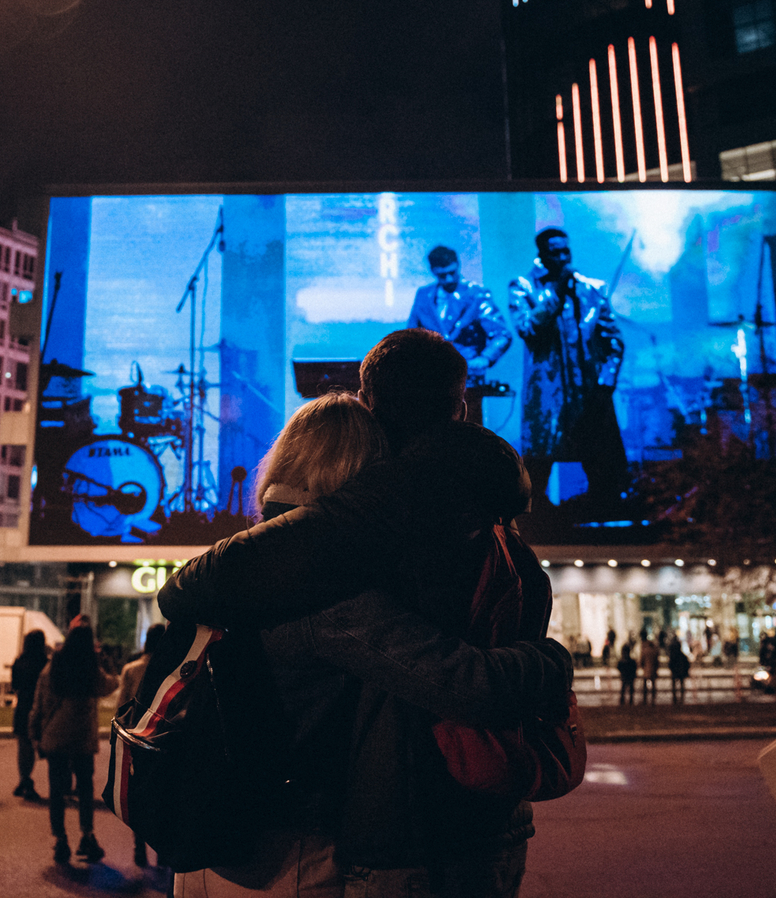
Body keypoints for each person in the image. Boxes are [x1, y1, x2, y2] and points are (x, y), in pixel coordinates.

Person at [162, 332, 573, 898]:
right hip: (315, 850)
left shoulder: (277, 565)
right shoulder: (336, 585)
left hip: (245, 840)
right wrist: (552, 661)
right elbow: (465, 681)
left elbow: (196, 587)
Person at [507, 228, 627, 517]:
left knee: (600, 465)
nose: (562, 258)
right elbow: (527, 328)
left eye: (566, 252)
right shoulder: (523, 287)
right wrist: (555, 292)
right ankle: (541, 522)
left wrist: (605, 382)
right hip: (547, 394)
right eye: (555, 253)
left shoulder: (591, 288)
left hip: (589, 392)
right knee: (540, 462)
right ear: (542, 254)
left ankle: (602, 520)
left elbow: (614, 341)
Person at [30, 618, 119, 865]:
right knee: (85, 788)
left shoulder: (53, 666)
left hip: (56, 735)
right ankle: (87, 835)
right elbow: (110, 684)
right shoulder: (90, 669)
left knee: (57, 791)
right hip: (82, 738)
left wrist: (35, 732)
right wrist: (105, 661)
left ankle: (60, 841)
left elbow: (39, 704)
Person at [406, 246, 512, 375]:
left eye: (452, 272)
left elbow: (502, 333)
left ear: (458, 265)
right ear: (433, 271)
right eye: (443, 275)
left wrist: (485, 358)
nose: (449, 279)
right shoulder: (424, 295)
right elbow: (411, 335)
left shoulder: (476, 295)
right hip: (430, 374)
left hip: (467, 373)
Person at [117, 624, 165, 866]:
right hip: (163, 739)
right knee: (162, 793)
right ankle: (162, 849)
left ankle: (139, 845)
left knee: (138, 792)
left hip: (136, 738)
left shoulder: (132, 669)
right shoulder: (170, 668)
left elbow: (122, 706)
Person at [10, 630, 50, 802]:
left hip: (22, 706)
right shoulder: (44, 663)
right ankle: (27, 781)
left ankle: (23, 779)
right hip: (39, 708)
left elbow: (15, 686)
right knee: (36, 746)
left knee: (23, 746)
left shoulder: (19, 662)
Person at [638, 632, 659, 704]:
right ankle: (653, 698)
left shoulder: (645, 651)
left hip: (646, 669)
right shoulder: (654, 651)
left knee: (645, 686)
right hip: (653, 669)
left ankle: (645, 699)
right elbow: (657, 661)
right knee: (653, 685)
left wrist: (641, 666)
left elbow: (641, 661)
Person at [668, 637, 691, 704]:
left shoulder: (673, 656)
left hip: (675, 672)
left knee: (675, 685)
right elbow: (687, 664)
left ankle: (675, 698)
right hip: (681, 672)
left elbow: (670, 664)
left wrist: (672, 670)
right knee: (681, 685)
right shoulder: (682, 656)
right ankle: (681, 698)